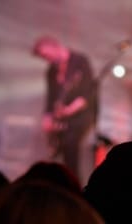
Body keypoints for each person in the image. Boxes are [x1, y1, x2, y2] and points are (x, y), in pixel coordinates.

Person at [33, 35, 98, 180]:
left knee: (70, 151)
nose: (46, 59)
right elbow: (50, 98)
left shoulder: (80, 62)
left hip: (80, 117)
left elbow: (88, 93)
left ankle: (74, 187)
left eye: (45, 54)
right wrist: (47, 117)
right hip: (61, 120)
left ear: (53, 47)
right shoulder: (51, 71)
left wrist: (70, 110)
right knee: (58, 158)